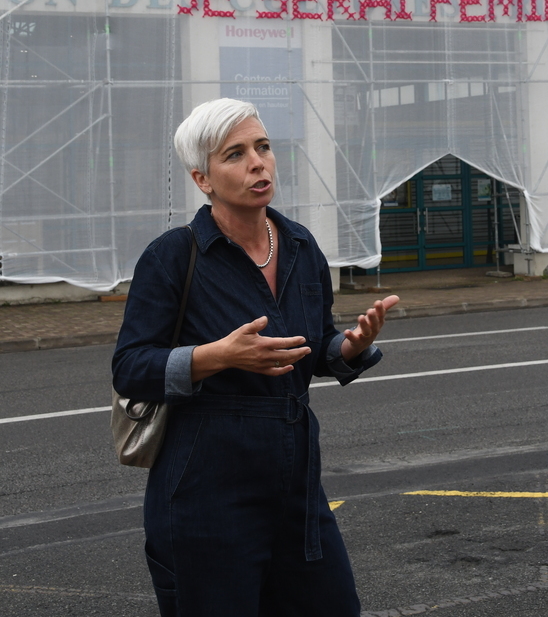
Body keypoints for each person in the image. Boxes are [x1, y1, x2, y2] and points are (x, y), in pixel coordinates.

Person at [112, 98, 399, 617]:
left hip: (296, 484)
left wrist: (347, 348)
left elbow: (312, 346)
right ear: (203, 178)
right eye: (236, 154)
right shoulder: (172, 256)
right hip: (205, 487)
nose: (258, 163)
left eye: (263, 147)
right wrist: (217, 356)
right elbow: (131, 366)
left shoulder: (300, 245)